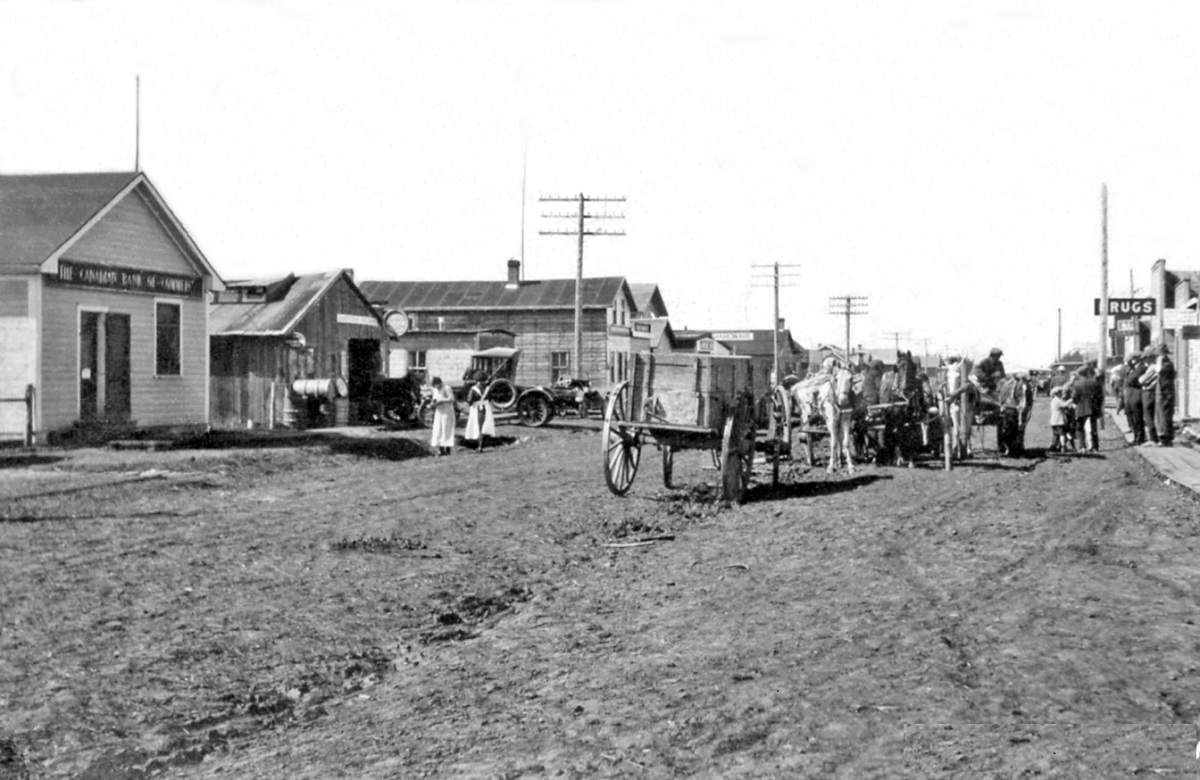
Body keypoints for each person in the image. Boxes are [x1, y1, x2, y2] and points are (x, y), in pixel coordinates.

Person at [1071, 363, 1102, 453]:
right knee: (1093, 428)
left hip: (1081, 407)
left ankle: (1082, 446)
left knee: (1080, 428)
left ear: (1080, 374)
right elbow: (1099, 396)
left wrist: (1075, 403)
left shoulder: (1077, 384)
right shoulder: (1094, 383)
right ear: (1087, 373)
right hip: (1093, 407)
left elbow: (1074, 397)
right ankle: (1095, 447)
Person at [1122, 353, 1147, 445]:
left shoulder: (1141, 368)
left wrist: (1127, 379)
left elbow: (1131, 380)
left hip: (1136, 394)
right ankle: (1136, 436)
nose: (1130, 362)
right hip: (1130, 394)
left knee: (1137, 417)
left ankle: (1140, 437)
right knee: (1132, 417)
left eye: (1132, 360)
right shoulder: (1132, 369)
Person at [428, 376, 457, 455]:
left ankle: (447, 449)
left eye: (435, 385)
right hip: (439, 412)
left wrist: (442, 400)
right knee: (439, 430)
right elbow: (434, 399)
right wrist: (433, 404)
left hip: (447, 411)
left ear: (439, 383)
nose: (435, 387)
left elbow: (451, 399)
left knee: (446, 429)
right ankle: (441, 449)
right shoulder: (435, 390)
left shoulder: (446, 388)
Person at [1140, 346, 1161, 446]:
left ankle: (1153, 439)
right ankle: (1153, 437)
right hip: (1150, 391)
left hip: (1148, 392)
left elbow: (1142, 380)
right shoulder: (1154, 367)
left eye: (1146, 358)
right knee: (1150, 415)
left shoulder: (1152, 368)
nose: (1145, 360)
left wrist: (1143, 379)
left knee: (1148, 415)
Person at [1156, 343, 1176, 447]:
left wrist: (1160, 360)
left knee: (1165, 416)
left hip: (1166, 393)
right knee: (1161, 415)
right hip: (1162, 392)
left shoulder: (1167, 364)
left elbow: (1159, 370)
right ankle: (1163, 437)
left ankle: (1166, 438)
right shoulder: (1164, 362)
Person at [1048, 386, 1075, 453]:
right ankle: (1063, 447)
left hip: (1053, 420)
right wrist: (1071, 400)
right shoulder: (1057, 400)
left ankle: (1053, 446)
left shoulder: (1054, 400)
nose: (1062, 394)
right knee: (1061, 434)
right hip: (1059, 419)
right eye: (1060, 392)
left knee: (1055, 434)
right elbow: (1064, 405)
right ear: (1057, 393)